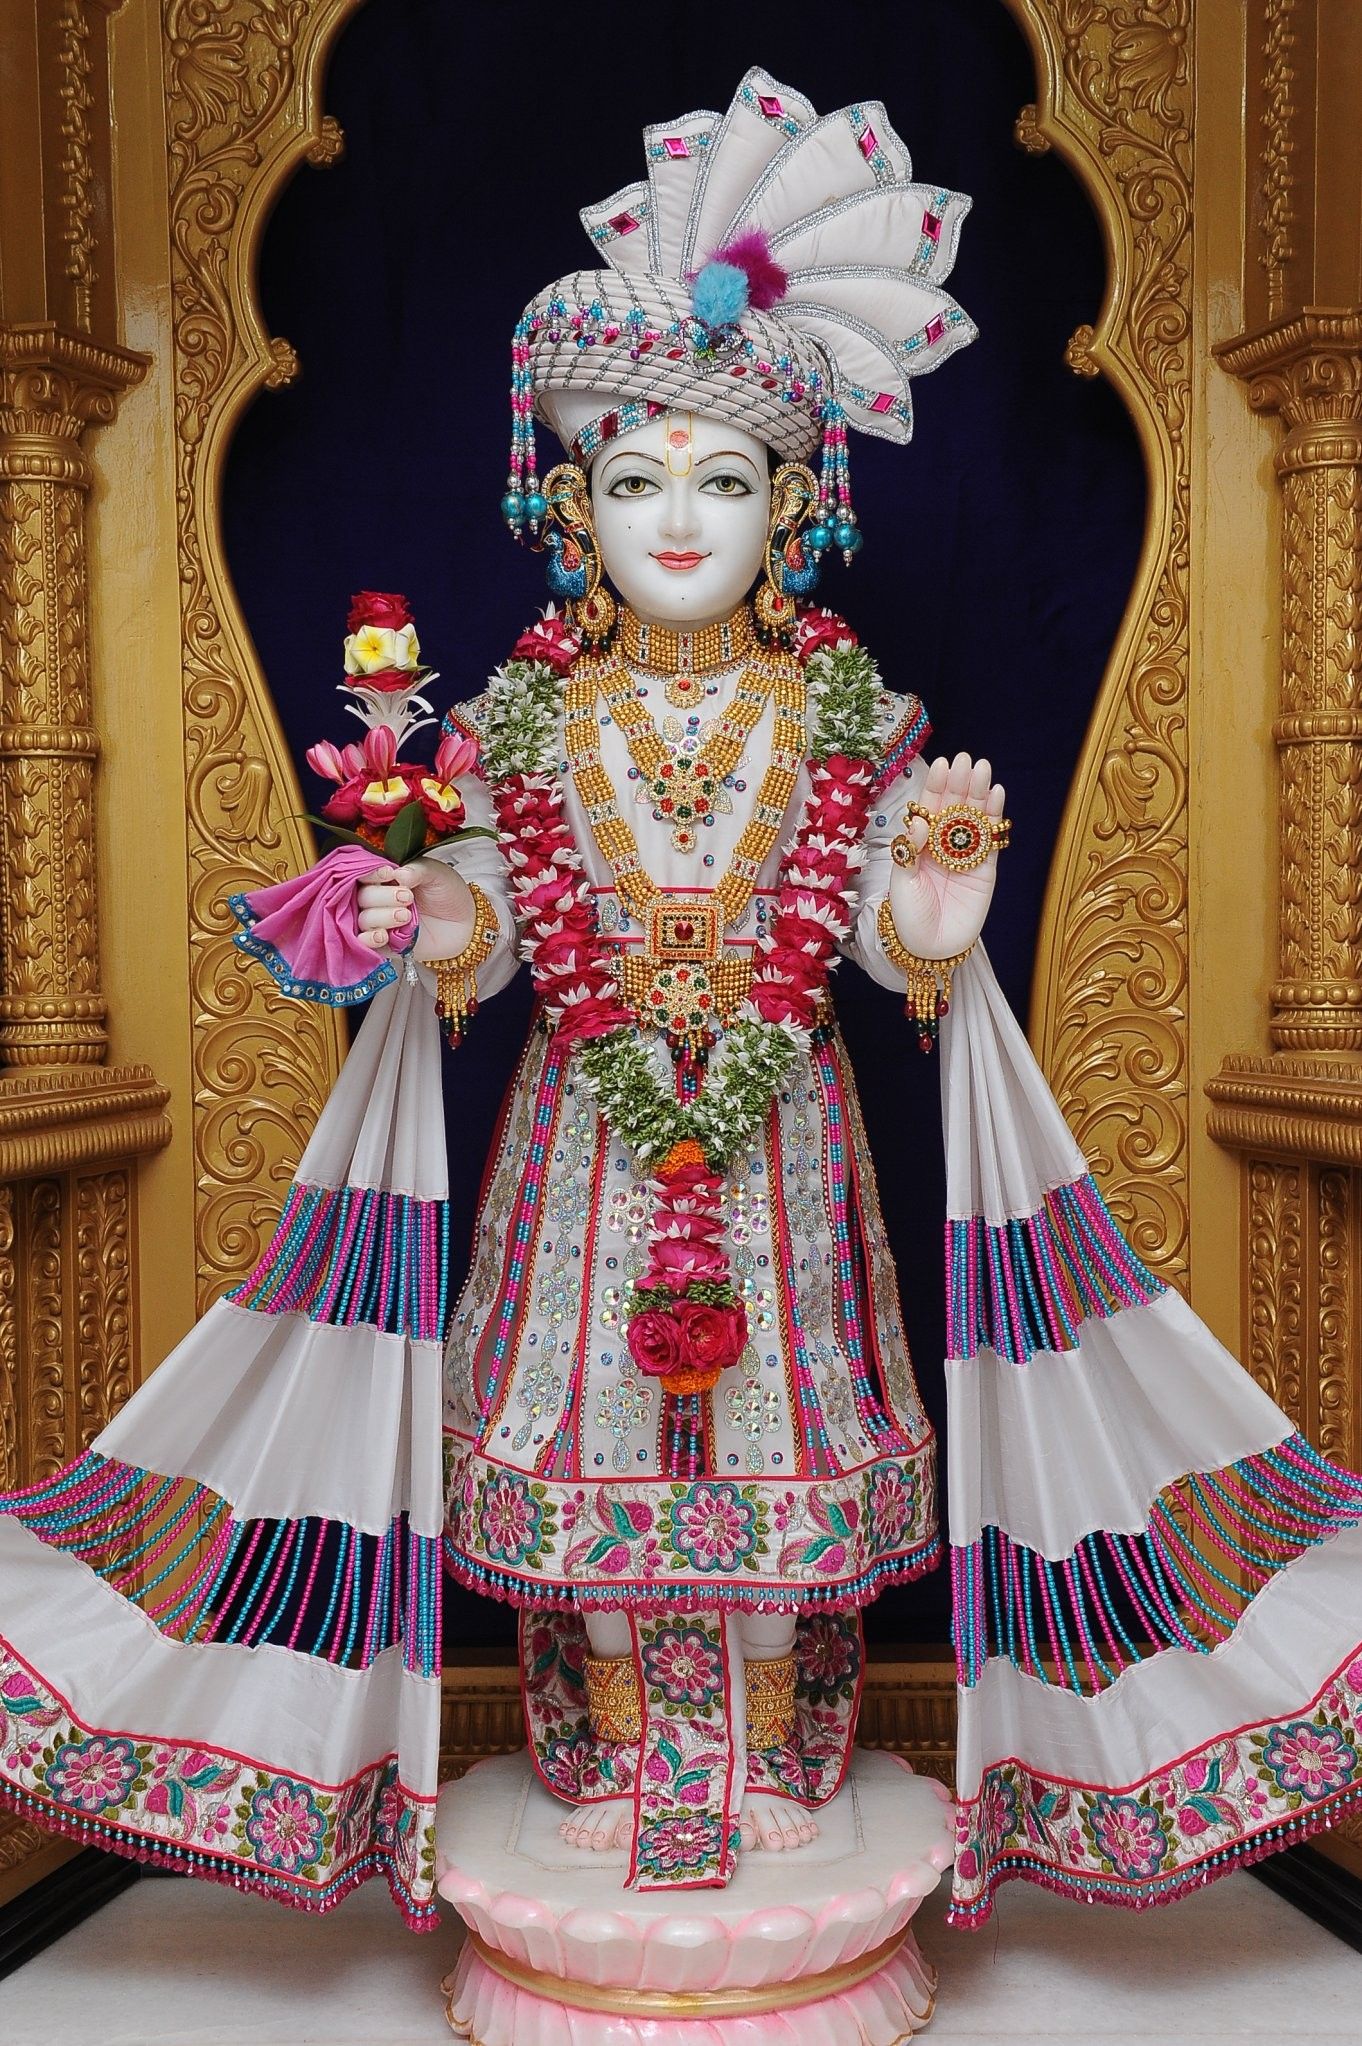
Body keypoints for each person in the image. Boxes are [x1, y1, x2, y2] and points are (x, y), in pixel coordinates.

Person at [3, 68, 1360, 1937]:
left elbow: (884, 945)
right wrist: (427, 916)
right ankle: (614, 1746)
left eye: (723, 480)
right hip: (587, 1143)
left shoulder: (844, 707)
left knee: (792, 1431)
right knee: (583, 1441)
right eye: (631, 478)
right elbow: (489, 906)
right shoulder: (519, 715)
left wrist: (933, 903)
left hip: (784, 1142)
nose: (675, 518)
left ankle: (787, 1745)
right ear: (565, 506)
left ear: (794, 510)